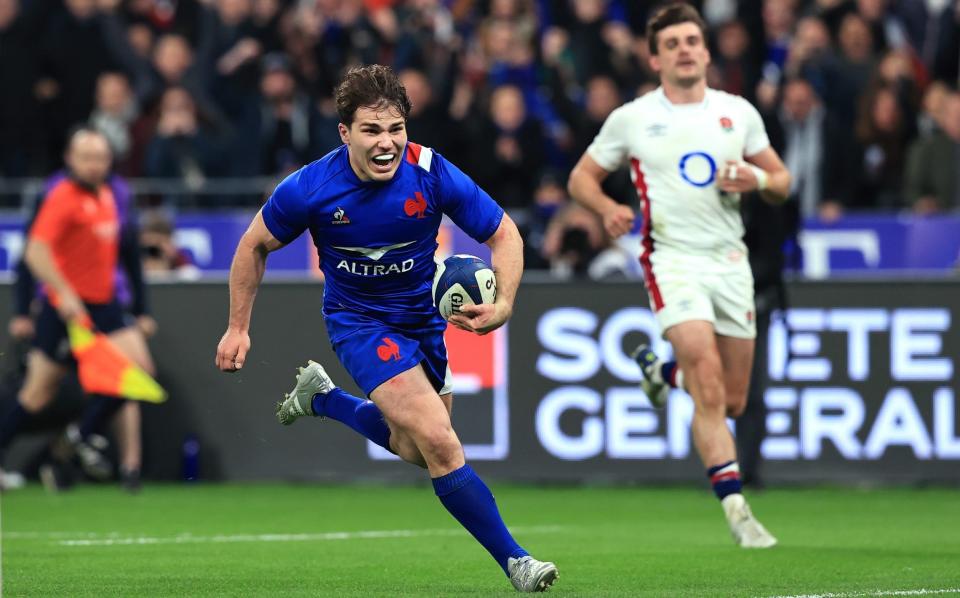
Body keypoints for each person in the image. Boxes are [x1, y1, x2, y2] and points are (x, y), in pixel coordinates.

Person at [215, 65, 558, 592]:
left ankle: (323, 400)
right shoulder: (311, 187)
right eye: (372, 130)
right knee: (443, 445)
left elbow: (504, 234)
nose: (387, 142)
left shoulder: (433, 173)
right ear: (345, 133)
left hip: (423, 319)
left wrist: (506, 303)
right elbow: (253, 245)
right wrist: (238, 327)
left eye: (395, 129)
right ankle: (517, 561)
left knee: (416, 448)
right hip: (359, 324)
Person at [568, 3, 791, 549]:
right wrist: (605, 207)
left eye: (693, 40)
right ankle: (737, 509)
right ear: (655, 58)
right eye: (673, 43)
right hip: (670, 259)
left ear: (707, 51)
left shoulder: (737, 112)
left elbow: (783, 181)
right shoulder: (634, 117)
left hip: (730, 263)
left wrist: (757, 176)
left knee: (731, 399)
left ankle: (659, 373)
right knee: (709, 383)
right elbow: (581, 178)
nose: (685, 49)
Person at [0, 127, 156, 491]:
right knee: (37, 393)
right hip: (64, 310)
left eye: (101, 157)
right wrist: (63, 293)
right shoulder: (62, 197)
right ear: (70, 159)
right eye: (86, 157)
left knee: (139, 374)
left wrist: (139, 306)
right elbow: (35, 252)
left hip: (104, 305)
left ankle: (72, 441)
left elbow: (126, 253)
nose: (94, 165)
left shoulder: (108, 195)